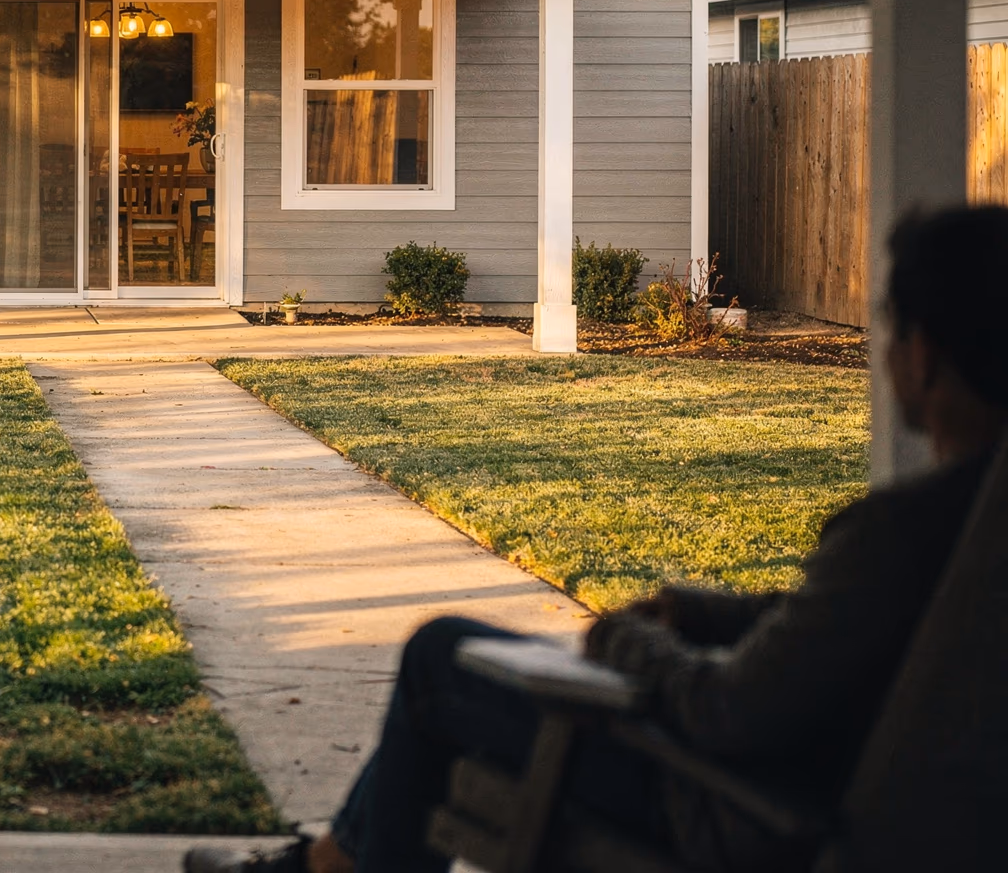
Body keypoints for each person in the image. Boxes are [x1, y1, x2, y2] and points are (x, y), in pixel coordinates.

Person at [187, 204, 1008, 873]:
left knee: (441, 660)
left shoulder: (897, 532)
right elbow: (843, 631)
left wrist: (625, 639)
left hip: (724, 805)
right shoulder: (970, 524)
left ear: (924, 356)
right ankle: (327, 863)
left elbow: (727, 710)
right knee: (453, 691)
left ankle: (328, 867)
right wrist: (699, 612)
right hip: (790, 786)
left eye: (889, 327)